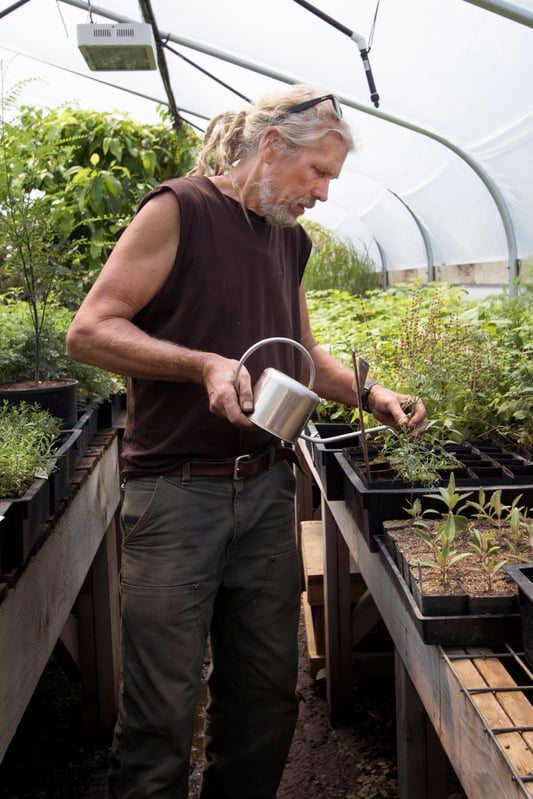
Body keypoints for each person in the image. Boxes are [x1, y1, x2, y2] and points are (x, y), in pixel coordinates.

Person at [66, 84, 427, 799]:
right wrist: (200, 363)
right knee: (161, 710)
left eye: (330, 179)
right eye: (316, 173)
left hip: (266, 488)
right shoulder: (179, 210)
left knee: (265, 701)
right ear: (270, 148)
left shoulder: (288, 239)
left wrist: (371, 393)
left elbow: (303, 357)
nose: (322, 193)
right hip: (174, 493)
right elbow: (90, 330)